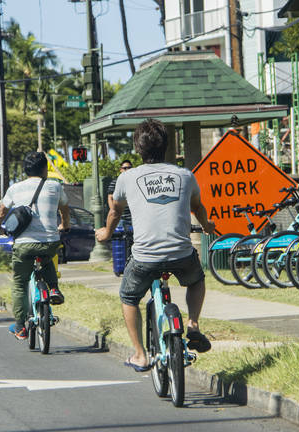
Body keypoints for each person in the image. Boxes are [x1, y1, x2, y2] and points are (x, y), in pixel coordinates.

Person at [95, 119, 216, 372]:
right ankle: (193, 324)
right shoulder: (185, 175)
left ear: (138, 149)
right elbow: (197, 208)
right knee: (195, 280)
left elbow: (115, 212)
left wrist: (106, 232)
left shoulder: (127, 178)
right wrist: (206, 226)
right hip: (181, 254)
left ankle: (140, 354)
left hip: (145, 258)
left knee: (128, 296)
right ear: (167, 146)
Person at [0, 152, 71, 340]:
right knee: (46, 257)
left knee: (19, 283)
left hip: (24, 245)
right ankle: (53, 288)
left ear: (26, 170)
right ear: (45, 169)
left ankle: (20, 326)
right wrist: (65, 224)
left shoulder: (15, 188)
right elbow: (64, 208)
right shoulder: (55, 186)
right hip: (50, 241)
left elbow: (2, 209)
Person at [107, 159, 133, 228]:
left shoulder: (135, 182)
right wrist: (114, 212)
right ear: (121, 170)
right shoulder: (115, 182)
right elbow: (110, 198)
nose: (127, 170)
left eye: (129, 168)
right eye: (125, 168)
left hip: (133, 218)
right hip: (120, 218)